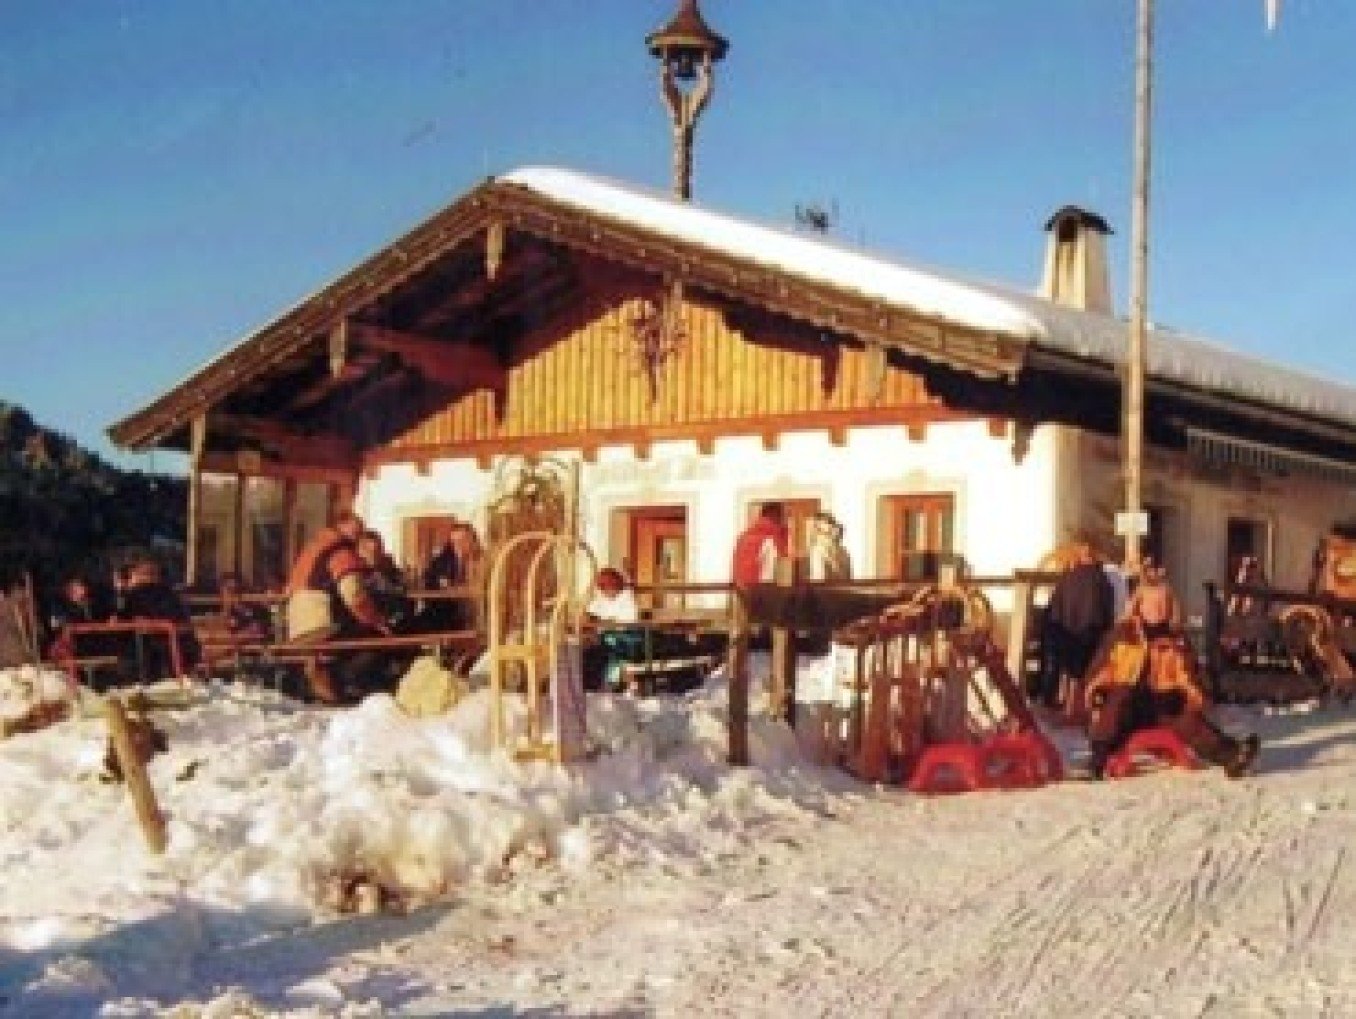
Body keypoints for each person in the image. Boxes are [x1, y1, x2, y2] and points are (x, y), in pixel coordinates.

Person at [1085, 563, 1260, 779]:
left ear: (1170, 606)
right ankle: (1098, 759)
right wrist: (1098, 691)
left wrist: (1190, 698)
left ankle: (1232, 756)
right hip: (1123, 711)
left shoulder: (1178, 640)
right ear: (1139, 605)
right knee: (1121, 695)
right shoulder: (1122, 634)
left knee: (1184, 715)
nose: (1157, 610)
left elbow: (1192, 678)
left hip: (1159, 707)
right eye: (1151, 604)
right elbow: (1100, 671)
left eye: (1162, 604)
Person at [284, 512, 392, 702]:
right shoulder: (339, 550)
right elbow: (354, 595)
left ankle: (325, 682)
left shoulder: (315, 547)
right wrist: (377, 621)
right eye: (357, 529)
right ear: (342, 526)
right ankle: (355, 689)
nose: (360, 534)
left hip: (298, 623)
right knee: (378, 641)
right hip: (321, 619)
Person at [1037, 534, 1115, 710]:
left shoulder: (1076, 577)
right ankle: (1075, 704)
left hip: (1068, 629)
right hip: (1086, 630)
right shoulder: (1099, 578)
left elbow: (1057, 606)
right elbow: (1105, 607)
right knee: (1082, 668)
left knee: (1069, 668)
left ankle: (1065, 703)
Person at [115, 557, 202, 680]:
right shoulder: (166, 595)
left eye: (149, 573)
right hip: (158, 652)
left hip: (159, 651)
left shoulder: (151, 594)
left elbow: (175, 621)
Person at [731, 502, 790, 589]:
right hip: (758, 590)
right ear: (777, 516)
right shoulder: (770, 538)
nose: (785, 520)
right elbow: (771, 573)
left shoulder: (744, 536)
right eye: (785, 516)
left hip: (741, 589)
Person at [219, 572, 272, 642]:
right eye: (229, 591)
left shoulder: (255, 608)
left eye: (236, 590)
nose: (233, 595)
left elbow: (259, 629)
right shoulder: (227, 614)